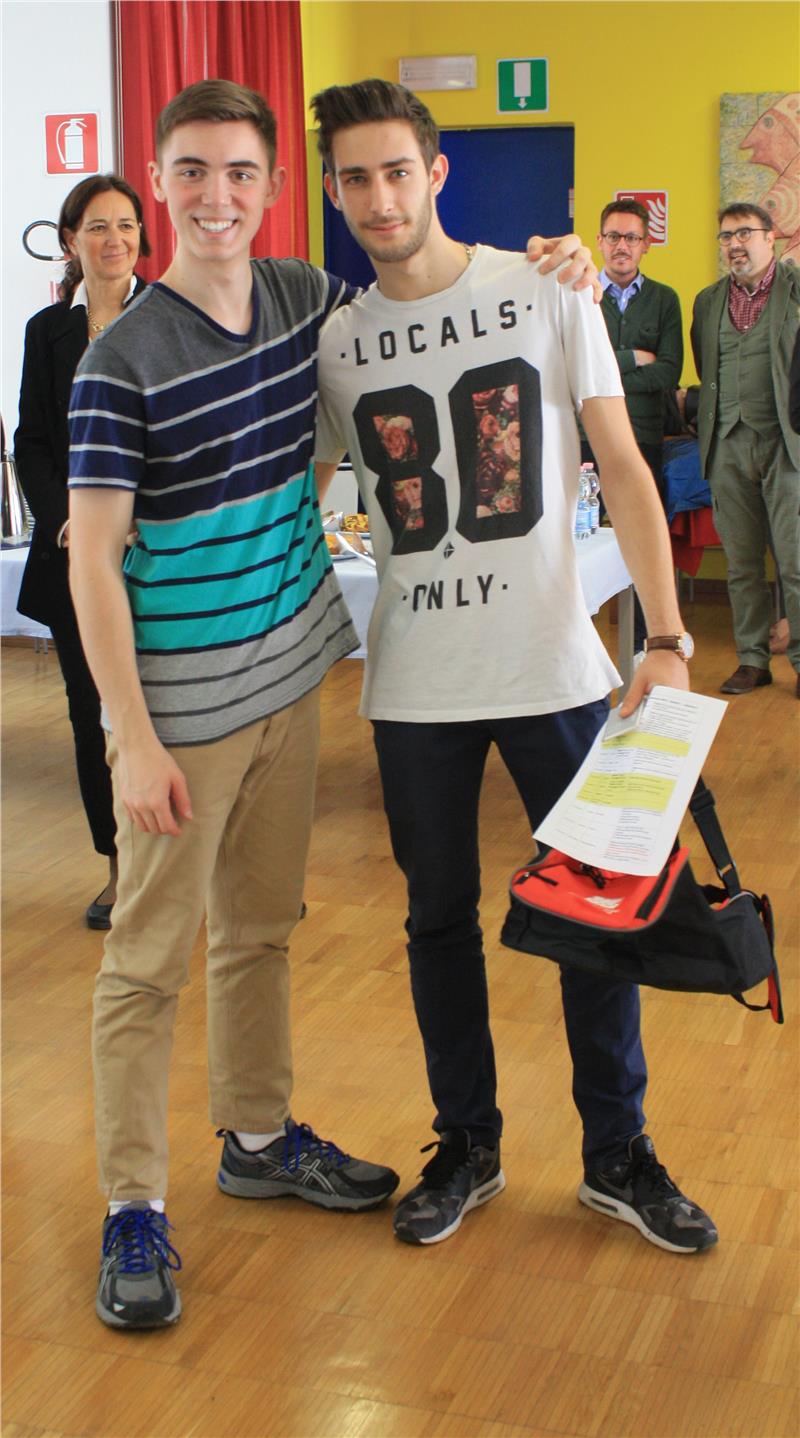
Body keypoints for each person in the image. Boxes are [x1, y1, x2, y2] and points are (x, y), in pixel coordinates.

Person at [66, 78, 592, 1331]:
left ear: (271, 188)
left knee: (259, 930)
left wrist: (561, 265)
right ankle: (132, 1205)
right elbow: (90, 558)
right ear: (161, 182)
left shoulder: (306, 301)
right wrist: (128, 735)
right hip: (180, 716)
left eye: (240, 172)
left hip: (290, 687)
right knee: (144, 964)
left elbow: (430, 296)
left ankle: (256, 1135)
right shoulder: (118, 360)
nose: (217, 196)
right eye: (192, 171)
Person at [311, 78, 717, 1255]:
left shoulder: (545, 286)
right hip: (413, 686)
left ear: (435, 173)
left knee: (598, 917)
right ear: (331, 191)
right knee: (436, 920)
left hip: (555, 668)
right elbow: (296, 489)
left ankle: (616, 1152)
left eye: (397, 171)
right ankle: (467, 1143)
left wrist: (666, 636)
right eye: (354, 178)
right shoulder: (336, 343)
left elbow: (622, 465)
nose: (379, 198)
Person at [14, 174, 151, 929]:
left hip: (159, 552)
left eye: (125, 225)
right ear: (71, 241)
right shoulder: (47, 332)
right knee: (88, 713)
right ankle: (119, 867)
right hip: (73, 557)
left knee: (174, 710)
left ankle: (198, 865)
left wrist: (136, 518)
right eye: (97, 227)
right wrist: (73, 518)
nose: (113, 239)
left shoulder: (169, 317)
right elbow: (32, 441)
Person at [690, 203, 800, 697]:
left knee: (796, 561)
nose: (735, 243)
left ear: (771, 238)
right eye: (726, 236)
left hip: (787, 443)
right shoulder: (708, 301)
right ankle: (753, 660)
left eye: (745, 233)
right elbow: (706, 367)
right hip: (727, 444)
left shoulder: (795, 290)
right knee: (741, 564)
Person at [583, 198, 683, 650]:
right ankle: (578, 643)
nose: (621, 245)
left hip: (642, 439)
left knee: (645, 542)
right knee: (578, 540)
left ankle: (648, 644)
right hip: (583, 440)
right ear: (600, 241)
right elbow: (572, 367)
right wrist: (631, 358)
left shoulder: (664, 300)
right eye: (613, 236)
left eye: (631, 237)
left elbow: (668, 373)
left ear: (646, 245)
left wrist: (604, 372)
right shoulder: (579, 295)